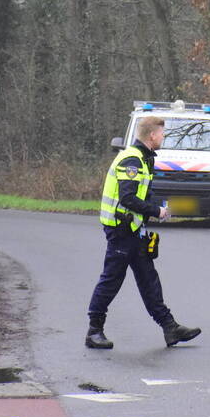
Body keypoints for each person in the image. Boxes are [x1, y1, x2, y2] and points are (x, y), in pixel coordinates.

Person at [85, 115, 201, 349]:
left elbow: (138, 196)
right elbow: (128, 198)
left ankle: (170, 327)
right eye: (162, 134)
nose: (163, 137)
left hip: (133, 229)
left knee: (148, 279)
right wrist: (157, 211)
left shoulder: (143, 158)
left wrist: (150, 213)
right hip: (120, 230)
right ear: (152, 135)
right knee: (111, 279)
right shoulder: (132, 160)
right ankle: (94, 330)